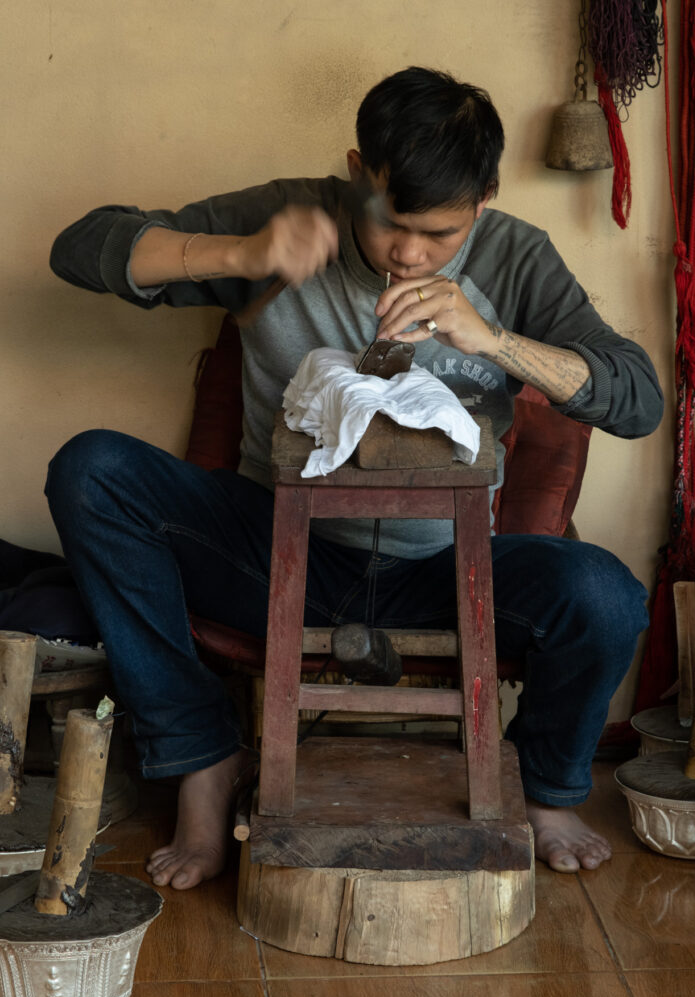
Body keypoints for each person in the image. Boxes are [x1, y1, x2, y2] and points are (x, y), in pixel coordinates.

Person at [46, 66, 663, 889]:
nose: (407, 252)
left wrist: (495, 341)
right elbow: (80, 248)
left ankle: (545, 789)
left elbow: (639, 398)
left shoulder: (516, 257)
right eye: (388, 221)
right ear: (355, 171)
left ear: (484, 198)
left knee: (608, 595)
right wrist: (244, 252)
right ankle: (201, 756)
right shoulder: (291, 216)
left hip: (451, 570)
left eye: (438, 234)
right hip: (277, 555)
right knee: (91, 472)